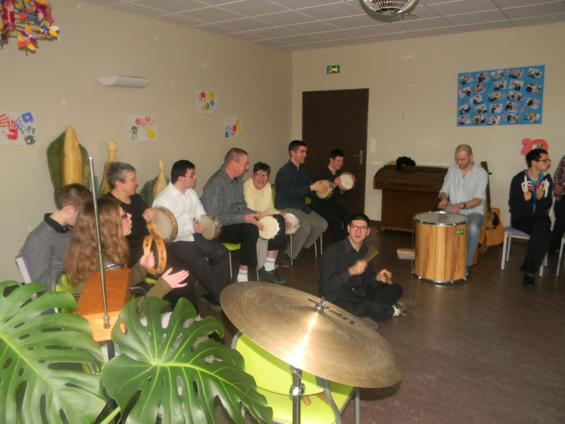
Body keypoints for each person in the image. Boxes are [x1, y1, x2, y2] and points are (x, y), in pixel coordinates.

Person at [64, 198, 189, 301]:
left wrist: (141, 267)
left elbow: (120, 285)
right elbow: (127, 317)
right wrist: (163, 286)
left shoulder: (96, 253)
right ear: (110, 227)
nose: (129, 216)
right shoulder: (107, 266)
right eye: (124, 216)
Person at [153, 160, 230, 305]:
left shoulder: (191, 193)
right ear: (181, 179)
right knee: (201, 265)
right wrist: (192, 228)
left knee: (221, 253)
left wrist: (206, 223)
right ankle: (223, 298)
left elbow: (200, 212)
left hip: (194, 235)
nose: (195, 178)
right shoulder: (163, 200)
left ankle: (216, 295)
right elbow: (167, 233)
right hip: (175, 242)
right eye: (192, 175)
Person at [319, 213, 404, 322]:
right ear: (348, 229)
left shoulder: (365, 250)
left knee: (396, 289)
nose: (358, 231)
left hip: (360, 294)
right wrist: (350, 272)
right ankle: (385, 311)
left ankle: (368, 312)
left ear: (368, 232)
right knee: (364, 307)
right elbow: (325, 288)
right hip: (339, 298)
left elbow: (367, 281)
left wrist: (377, 278)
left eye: (363, 228)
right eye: (354, 227)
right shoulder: (333, 251)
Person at [201, 148, 263, 283]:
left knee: (265, 221)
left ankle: (257, 270)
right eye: (245, 163)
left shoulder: (237, 180)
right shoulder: (216, 183)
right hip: (216, 229)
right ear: (234, 164)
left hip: (232, 222)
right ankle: (243, 275)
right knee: (250, 229)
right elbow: (214, 219)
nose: (247, 168)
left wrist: (255, 213)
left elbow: (241, 206)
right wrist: (244, 218)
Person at [19, 183, 91, 290]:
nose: (84, 218)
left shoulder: (67, 230)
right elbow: (39, 285)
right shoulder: (39, 239)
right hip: (61, 296)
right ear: (69, 210)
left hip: (76, 287)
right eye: (81, 214)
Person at [274, 140, 328, 263]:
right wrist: (311, 188)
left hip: (300, 206)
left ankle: (301, 245)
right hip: (286, 206)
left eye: (306, 152)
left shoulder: (302, 171)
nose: (305, 155)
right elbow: (290, 192)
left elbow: (310, 188)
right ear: (292, 153)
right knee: (305, 227)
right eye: (302, 152)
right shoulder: (284, 172)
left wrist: (323, 189)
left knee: (322, 224)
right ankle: (288, 256)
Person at [509, 148, 553, 287]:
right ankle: (529, 271)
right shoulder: (518, 179)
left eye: (548, 160)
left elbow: (548, 204)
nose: (548, 162)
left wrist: (540, 198)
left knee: (542, 228)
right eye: (545, 160)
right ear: (534, 162)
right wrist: (524, 199)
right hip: (521, 218)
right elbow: (513, 204)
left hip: (540, 217)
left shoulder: (547, 180)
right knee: (544, 233)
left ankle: (529, 269)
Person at [438, 144, 488, 266]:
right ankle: (443, 257)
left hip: (474, 212)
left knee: (472, 228)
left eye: (463, 159)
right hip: (453, 210)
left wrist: (461, 205)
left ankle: (466, 263)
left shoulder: (481, 173)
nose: (459, 162)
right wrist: (444, 199)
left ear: (471, 157)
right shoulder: (452, 170)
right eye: (457, 159)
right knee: (439, 225)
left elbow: (478, 200)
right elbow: (443, 190)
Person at [243, 162, 288, 284]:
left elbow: (270, 208)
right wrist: (270, 214)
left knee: (280, 219)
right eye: (258, 174)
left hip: (264, 218)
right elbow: (252, 211)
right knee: (277, 222)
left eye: (265, 175)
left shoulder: (268, 186)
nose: (261, 178)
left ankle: (269, 266)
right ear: (252, 175)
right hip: (250, 222)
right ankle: (268, 268)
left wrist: (280, 213)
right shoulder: (247, 187)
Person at [105, 162, 149, 266]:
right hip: (128, 254)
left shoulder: (136, 198)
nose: (136, 183)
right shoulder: (108, 205)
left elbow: (148, 221)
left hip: (147, 246)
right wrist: (144, 219)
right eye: (133, 180)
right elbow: (116, 237)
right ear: (119, 183)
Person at [311, 148, 350, 240]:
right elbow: (321, 193)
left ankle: (347, 241)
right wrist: (335, 184)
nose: (341, 163)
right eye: (338, 160)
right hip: (320, 204)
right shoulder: (322, 173)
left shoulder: (339, 173)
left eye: (342, 160)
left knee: (349, 217)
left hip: (333, 203)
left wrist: (342, 189)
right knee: (336, 220)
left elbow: (340, 195)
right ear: (331, 160)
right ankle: (339, 246)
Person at [550, 154, 565, 251]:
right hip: (562, 195)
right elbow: (558, 172)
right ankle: (554, 246)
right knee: (561, 220)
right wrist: (556, 185)